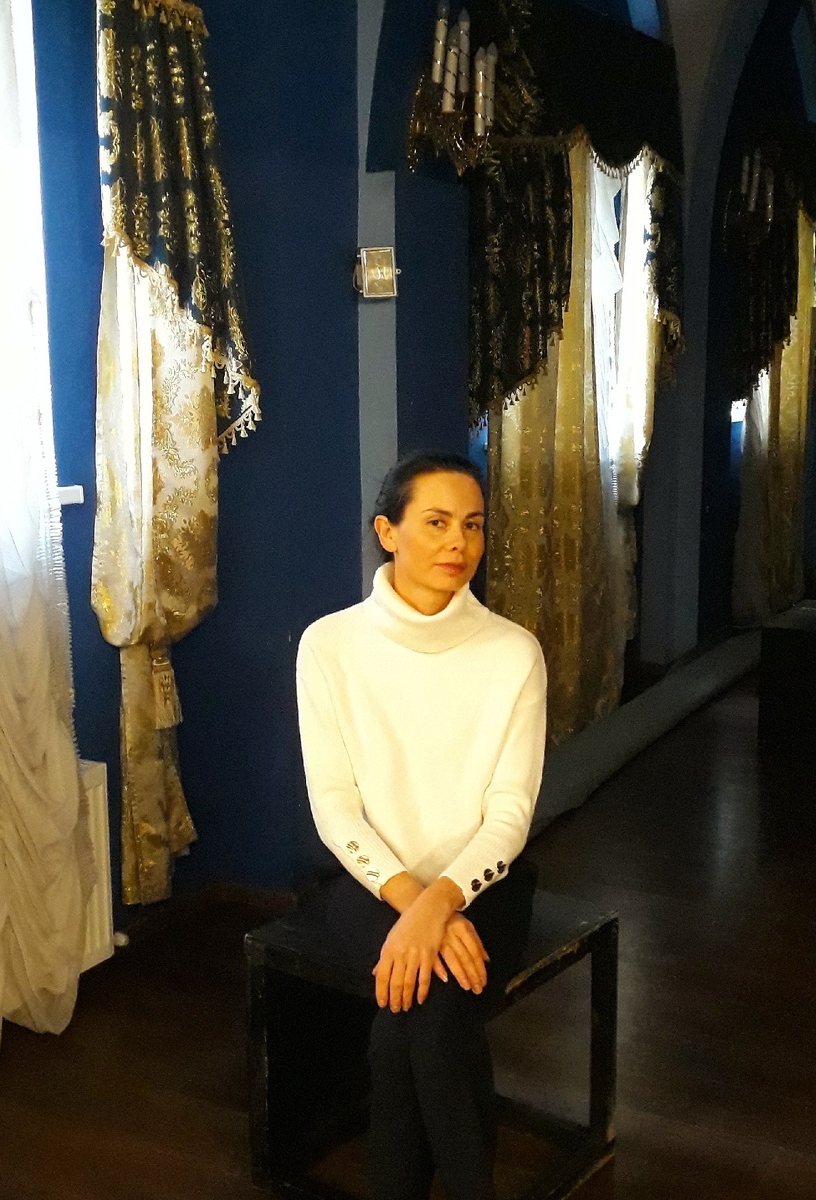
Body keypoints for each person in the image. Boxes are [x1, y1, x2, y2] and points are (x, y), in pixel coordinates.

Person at [295, 451, 548, 1200]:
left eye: (472, 525)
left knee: (409, 1021)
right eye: (436, 523)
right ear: (387, 532)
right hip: (367, 883)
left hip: (481, 889)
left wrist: (441, 901)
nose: (458, 544)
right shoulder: (328, 645)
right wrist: (414, 901)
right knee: (430, 1013)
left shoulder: (514, 653)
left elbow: (510, 813)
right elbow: (334, 806)